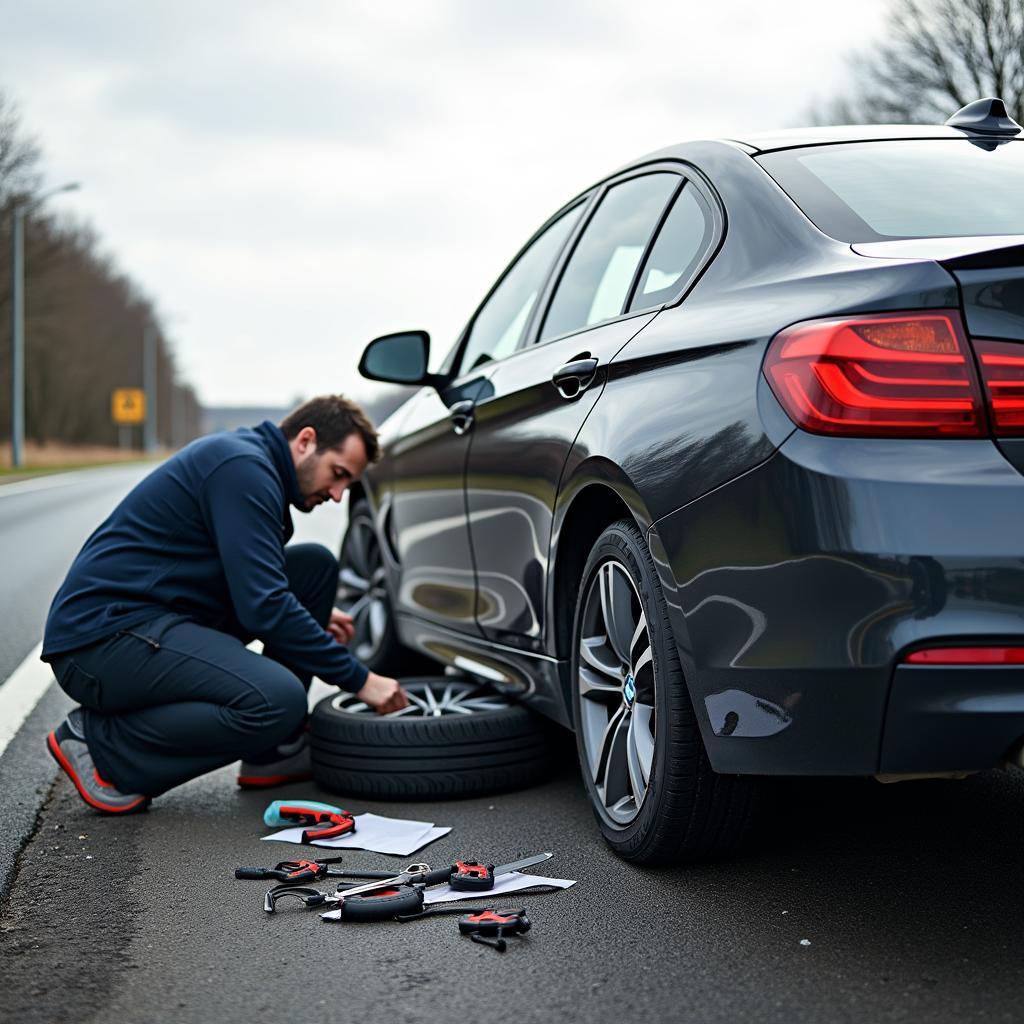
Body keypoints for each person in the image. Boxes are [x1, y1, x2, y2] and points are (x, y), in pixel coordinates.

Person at [41, 394, 408, 814]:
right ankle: (103, 746)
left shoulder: (251, 466)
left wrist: (309, 615)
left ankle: (273, 752)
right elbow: (264, 606)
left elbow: (260, 587)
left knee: (313, 568)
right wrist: (361, 680)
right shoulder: (242, 469)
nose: (340, 494)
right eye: (338, 474)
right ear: (306, 441)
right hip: (102, 640)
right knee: (277, 700)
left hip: (153, 620)